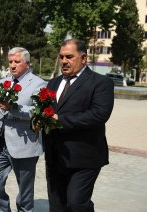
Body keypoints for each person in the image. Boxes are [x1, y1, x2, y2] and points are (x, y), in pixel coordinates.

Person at [44, 39, 114, 212]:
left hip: (84, 157)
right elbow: (45, 110)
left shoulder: (100, 83)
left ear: (84, 58)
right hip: (55, 157)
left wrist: (59, 120)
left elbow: (99, 114)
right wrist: (38, 121)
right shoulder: (53, 83)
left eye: (69, 57)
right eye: (61, 57)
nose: (64, 61)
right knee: (57, 206)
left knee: (77, 205)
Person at [0, 47, 46, 212]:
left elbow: (38, 111)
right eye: (10, 61)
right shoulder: (4, 82)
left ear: (26, 63)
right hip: (2, 142)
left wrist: (13, 108)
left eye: (17, 62)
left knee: (25, 190)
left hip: (24, 144)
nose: (12, 65)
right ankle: (2, 210)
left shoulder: (38, 83)